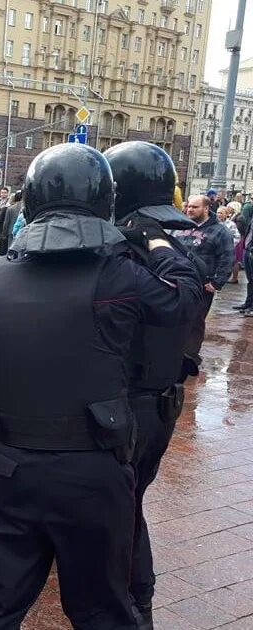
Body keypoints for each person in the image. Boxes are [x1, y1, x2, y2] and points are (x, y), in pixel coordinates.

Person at [0, 143, 202, 630]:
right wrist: (160, 244)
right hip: (91, 473)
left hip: (9, 465)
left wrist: (9, 388)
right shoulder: (117, 274)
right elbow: (184, 300)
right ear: (103, 202)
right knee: (102, 611)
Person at [104, 141, 205, 628]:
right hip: (161, 404)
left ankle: (136, 603)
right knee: (130, 500)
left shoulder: (121, 254)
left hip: (128, 407)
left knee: (122, 509)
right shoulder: (170, 250)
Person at [174, 195, 235, 369]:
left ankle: (190, 356)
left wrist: (217, 282)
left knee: (196, 320)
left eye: (195, 207)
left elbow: (227, 258)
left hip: (202, 284)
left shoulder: (220, 231)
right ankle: (175, 351)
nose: (189, 210)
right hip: (178, 280)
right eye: (188, 207)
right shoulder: (181, 226)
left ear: (206, 208)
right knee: (177, 318)